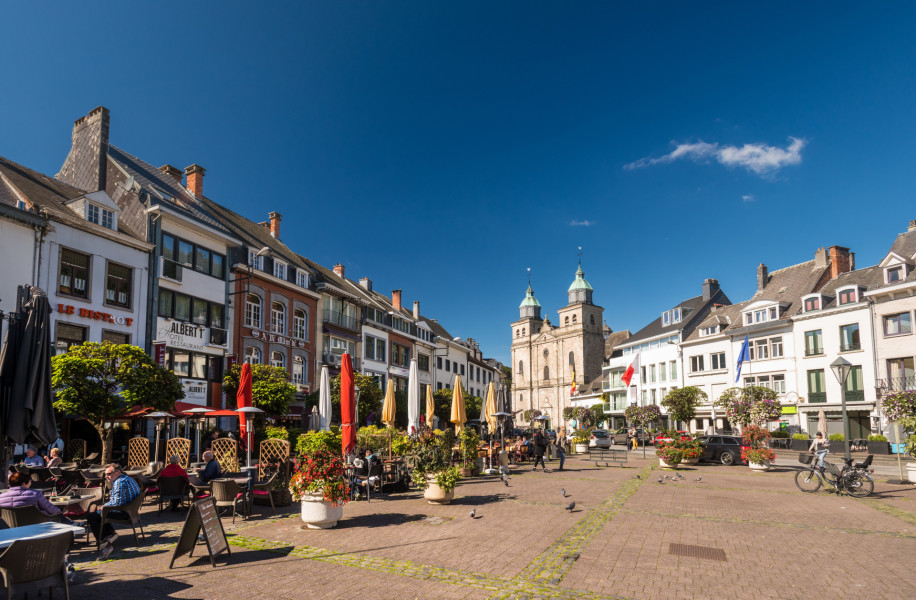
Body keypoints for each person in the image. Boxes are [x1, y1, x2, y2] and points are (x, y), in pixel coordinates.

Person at [87, 464, 141, 559]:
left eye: (108, 474)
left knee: (93, 516)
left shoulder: (119, 482)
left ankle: (104, 541)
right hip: (131, 510)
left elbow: (117, 502)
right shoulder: (128, 478)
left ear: (118, 472)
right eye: (105, 474)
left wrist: (104, 506)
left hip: (124, 512)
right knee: (101, 513)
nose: (106, 476)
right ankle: (109, 534)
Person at [0, 472, 69, 521]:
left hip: (10, 526)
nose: (30, 482)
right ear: (24, 483)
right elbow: (51, 510)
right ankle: (74, 524)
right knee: (58, 515)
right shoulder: (35, 494)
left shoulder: (1, 497)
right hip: (36, 524)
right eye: (29, 480)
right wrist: (60, 512)